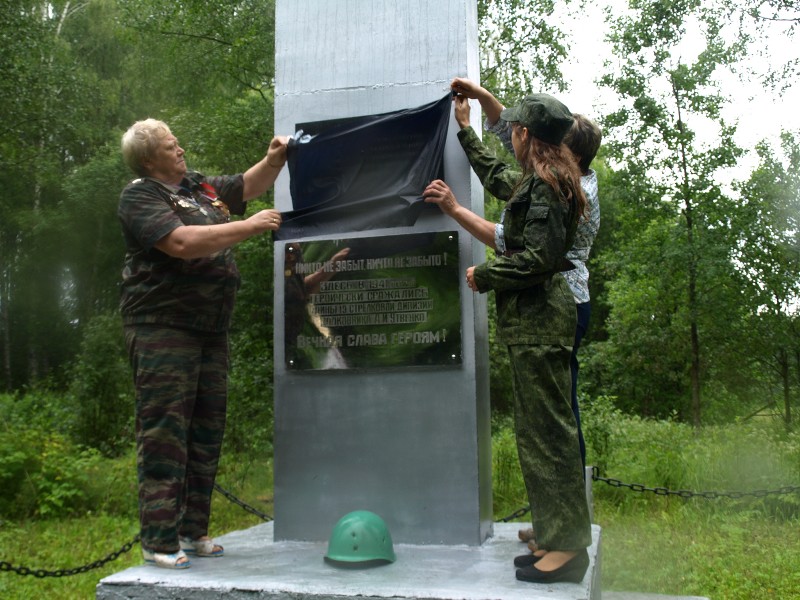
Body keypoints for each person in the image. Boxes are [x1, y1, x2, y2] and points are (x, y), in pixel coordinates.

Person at [423, 91, 592, 583]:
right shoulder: (542, 180)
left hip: (541, 323)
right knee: (539, 434)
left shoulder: (548, 185)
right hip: (533, 325)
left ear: (524, 135)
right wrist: (465, 131)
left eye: (514, 130)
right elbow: (498, 180)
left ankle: (567, 548)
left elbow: (537, 261)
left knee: (549, 436)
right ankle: (555, 535)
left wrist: (487, 275)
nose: (512, 136)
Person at [118, 118, 287, 569]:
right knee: (165, 432)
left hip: (211, 329)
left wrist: (274, 159)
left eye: (178, 143)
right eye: (171, 147)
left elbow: (248, 185)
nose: (180, 150)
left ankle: (193, 531)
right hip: (163, 327)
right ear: (149, 158)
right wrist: (250, 228)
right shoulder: (141, 195)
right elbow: (179, 241)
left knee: (206, 431)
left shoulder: (199, 188)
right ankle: (159, 539)